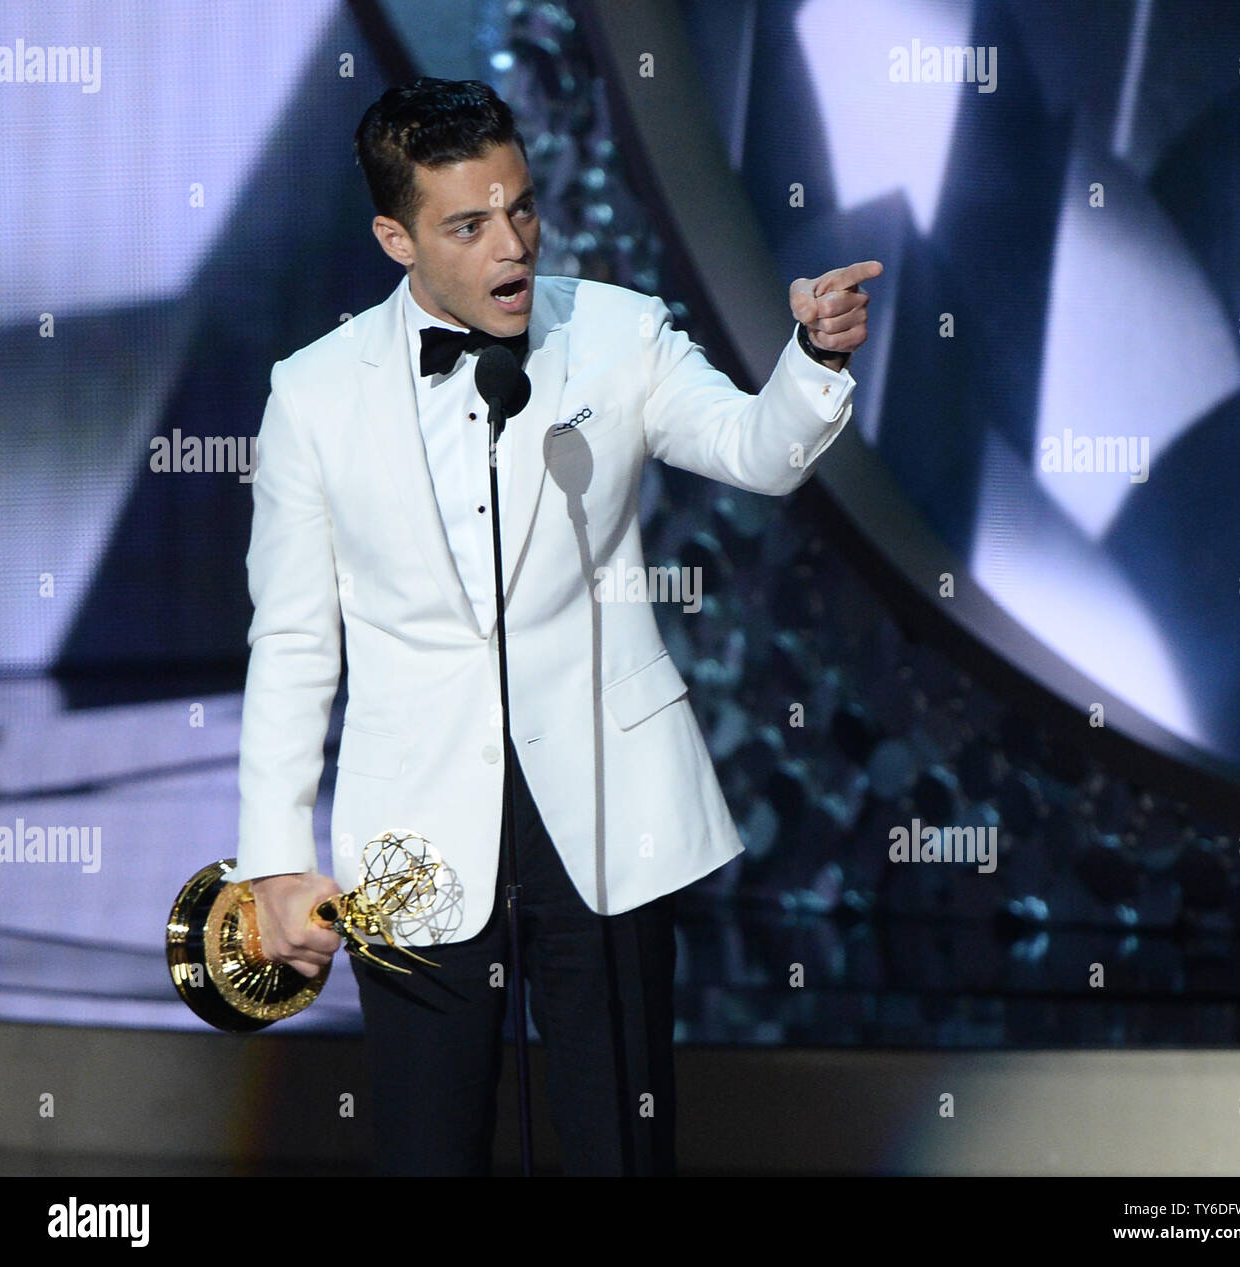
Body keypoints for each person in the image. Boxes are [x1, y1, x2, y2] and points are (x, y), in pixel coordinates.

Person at [228, 76, 880, 1176]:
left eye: (521, 208)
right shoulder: (314, 395)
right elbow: (293, 640)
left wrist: (810, 361)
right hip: (413, 829)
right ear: (396, 236)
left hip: (606, 804)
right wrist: (275, 858)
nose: (512, 245)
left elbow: (756, 450)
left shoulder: (617, 334)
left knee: (618, 1148)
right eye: (468, 225)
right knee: (427, 1149)